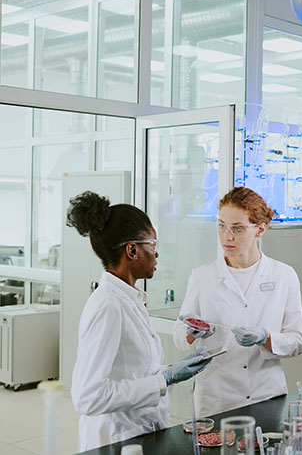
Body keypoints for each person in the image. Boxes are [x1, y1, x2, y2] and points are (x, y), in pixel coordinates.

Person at [67, 191, 212, 451]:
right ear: (132, 250)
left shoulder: (129, 299)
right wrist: (164, 379)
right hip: (116, 440)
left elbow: (131, 369)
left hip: (141, 434)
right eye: (153, 245)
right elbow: (88, 396)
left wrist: (172, 372)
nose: (157, 254)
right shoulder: (108, 306)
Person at [173, 186, 302, 416]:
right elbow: (179, 338)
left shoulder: (284, 275)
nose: (227, 236)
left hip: (267, 395)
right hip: (216, 399)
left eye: (237, 228)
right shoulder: (202, 277)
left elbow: (298, 341)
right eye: (222, 226)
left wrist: (267, 338)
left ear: (260, 229)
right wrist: (192, 331)